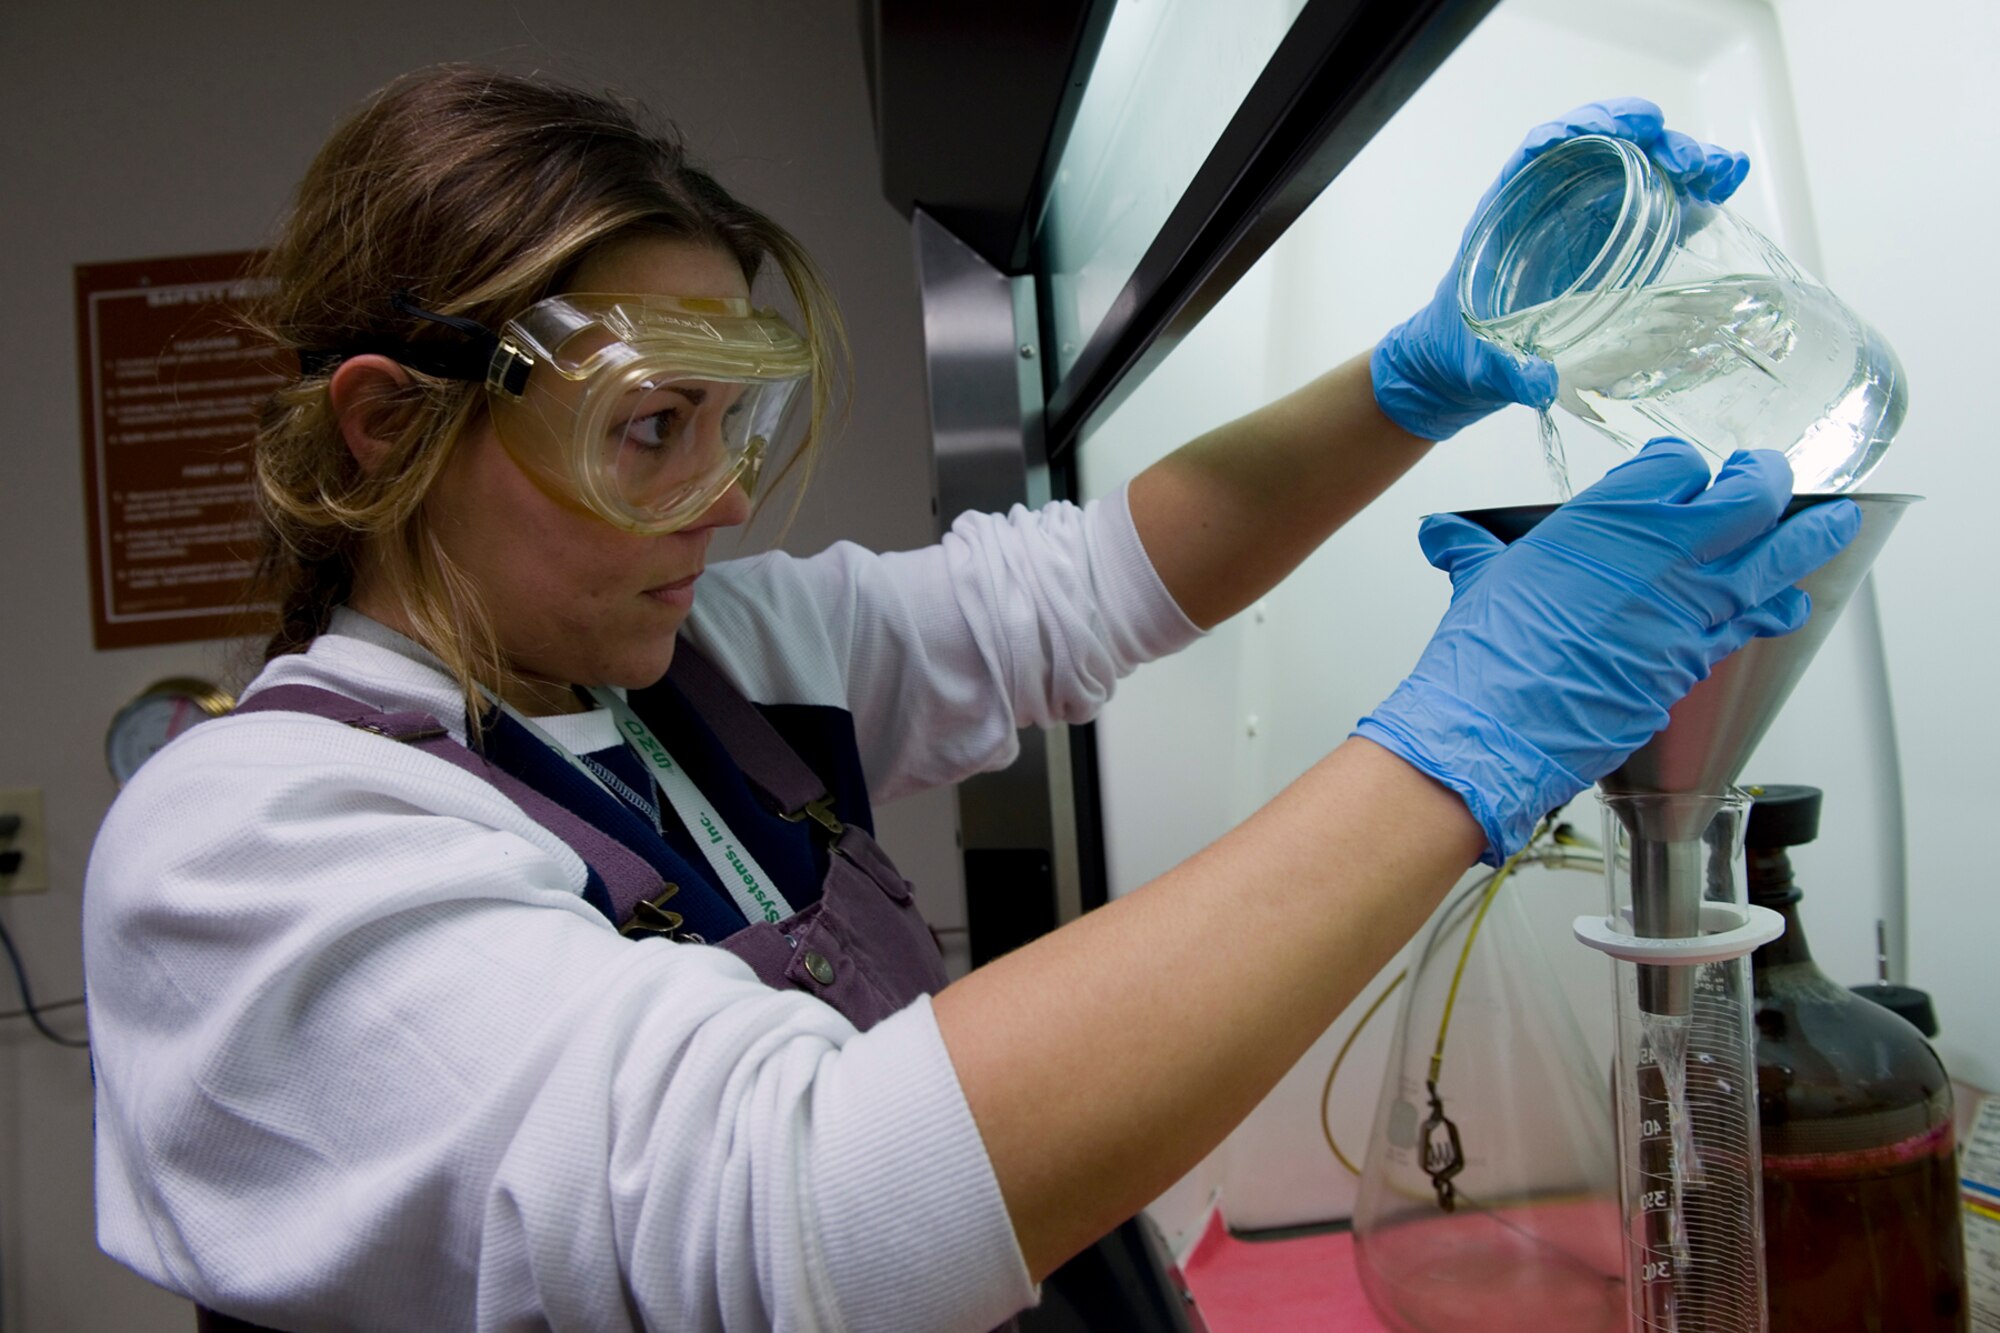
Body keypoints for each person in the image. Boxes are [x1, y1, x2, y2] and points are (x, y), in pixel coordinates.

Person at [82, 69, 1855, 1333]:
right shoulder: (250, 842)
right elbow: (800, 1218)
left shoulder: (704, 668)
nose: (719, 498)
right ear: (393, 427)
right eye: (649, 428)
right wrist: (1468, 738)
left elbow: (1087, 585)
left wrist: (1421, 370)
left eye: (732, 424)